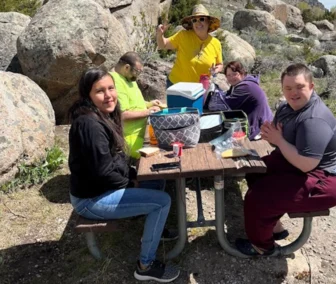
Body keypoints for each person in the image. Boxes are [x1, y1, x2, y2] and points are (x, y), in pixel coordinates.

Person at [68, 67, 180, 282]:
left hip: (101, 187)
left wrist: (132, 175)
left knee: (157, 180)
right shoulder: (90, 124)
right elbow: (103, 172)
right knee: (162, 201)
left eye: (111, 88)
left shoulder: (102, 115)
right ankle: (145, 266)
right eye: (100, 91)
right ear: (88, 95)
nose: (108, 95)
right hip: (91, 199)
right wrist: (131, 182)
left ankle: (154, 231)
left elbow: (114, 159)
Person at [235, 63, 336, 256]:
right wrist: (272, 137)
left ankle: (262, 246)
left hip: (323, 179)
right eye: (288, 88)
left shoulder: (314, 120)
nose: (293, 93)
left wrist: (278, 139)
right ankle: (275, 226)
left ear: (311, 87)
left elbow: (307, 164)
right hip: (297, 165)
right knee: (255, 169)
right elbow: (279, 144)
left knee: (258, 198)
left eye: (299, 87)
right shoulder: (287, 108)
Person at [156, 4, 223, 87]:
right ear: (192, 23)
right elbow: (163, 45)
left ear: (208, 22)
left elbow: (219, 64)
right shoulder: (183, 35)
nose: (198, 22)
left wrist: (216, 70)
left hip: (200, 88)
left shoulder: (216, 43)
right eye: (194, 20)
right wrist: (160, 35)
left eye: (201, 19)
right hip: (177, 85)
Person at [110, 52, 161, 159]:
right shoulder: (115, 81)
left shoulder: (128, 78)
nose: (138, 75)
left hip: (144, 131)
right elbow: (123, 114)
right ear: (127, 67)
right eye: (137, 71)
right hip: (130, 138)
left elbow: (134, 104)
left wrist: (149, 104)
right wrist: (149, 112)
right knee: (156, 155)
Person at [224, 61, 274, 140]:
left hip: (261, 129)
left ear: (241, 73)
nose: (231, 78)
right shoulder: (242, 83)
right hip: (261, 123)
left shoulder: (245, 86)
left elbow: (227, 105)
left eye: (234, 74)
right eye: (228, 75)